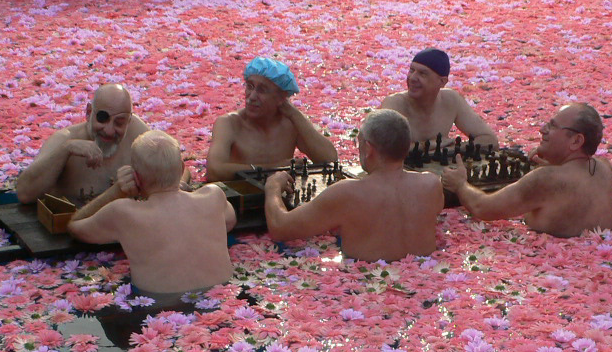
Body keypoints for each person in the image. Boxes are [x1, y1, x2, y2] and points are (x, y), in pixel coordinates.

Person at [68, 130, 236, 311]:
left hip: (158, 307)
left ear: (136, 178)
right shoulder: (213, 196)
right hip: (221, 300)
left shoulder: (123, 212)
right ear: (181, 169)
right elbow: (229, 222)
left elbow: (74, 226)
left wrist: (116, 191)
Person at [264, 108, 441, 262]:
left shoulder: (347, 193)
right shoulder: (431, 185)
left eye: (359, 142)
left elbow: (280, 228)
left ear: (368, 148)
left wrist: (273, 188)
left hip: (365, 284)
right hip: (425, 276)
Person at [442, 103, 612, 237]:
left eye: (552, 126)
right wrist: (555, 165)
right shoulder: (604, 168)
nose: (542, 130)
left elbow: (482, 207)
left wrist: (460, 185)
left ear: (576, 141)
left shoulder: (546, 179)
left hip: (546, 264)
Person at [204, 56, 337, 182]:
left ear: (281, 98)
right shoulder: (229, 123)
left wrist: (295, 114)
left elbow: (330, 161)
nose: (252, 97)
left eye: (262, 90)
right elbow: (214, 172)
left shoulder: (290, 124)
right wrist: (274, 168)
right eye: (250, 86)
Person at [14, 84, 149, 204]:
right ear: (89, 112)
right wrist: (66, 150)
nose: (109, 130)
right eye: (102, 119)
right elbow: (24, 193)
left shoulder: (139, 134)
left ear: (128, 121)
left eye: (119, 123)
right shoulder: (64, 139)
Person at [378, 47, 499, 148]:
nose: (413, 78)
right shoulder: (394, 104)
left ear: (442, 82)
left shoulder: (451, 100)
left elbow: (489, 140)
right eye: (411, 70)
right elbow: (384, 149)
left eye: (422, 73)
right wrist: (431, 145)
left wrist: (453, 149)